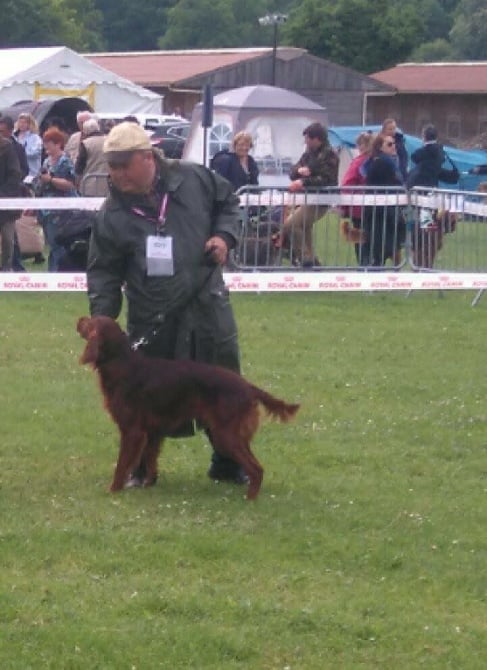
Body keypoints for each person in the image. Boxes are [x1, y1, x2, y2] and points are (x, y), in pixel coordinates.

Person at [86, 121, 248, 486]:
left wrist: (224, 236)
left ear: (148, 158)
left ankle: (228, 461)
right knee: (148, 398)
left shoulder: (193, 179)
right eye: (112, 165)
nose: (116, 173)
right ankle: (142, 469)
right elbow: (104, 273)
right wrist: (102, 320)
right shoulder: (111, 215)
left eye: (123, 164)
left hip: (206, 305)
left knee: (221, 386)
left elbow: (229, 203)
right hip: (154, 316)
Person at [282, 122, 338, 267]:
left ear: (317, 139)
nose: (305, 142)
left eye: (308, 138)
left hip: (321, 200)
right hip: (307, 199)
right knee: (304, 227)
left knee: (291, 224)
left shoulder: (330, 155)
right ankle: (312, 261)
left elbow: (328, 180)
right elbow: (292, 172)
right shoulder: (308, 154)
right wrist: (299, 171)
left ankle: (305, 258)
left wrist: (304, 182)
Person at [36, 128, 78, 271]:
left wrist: (51, 180)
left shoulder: (65, 161)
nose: (45, 146)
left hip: (63, 210)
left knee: (59, 243)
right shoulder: (46, 161)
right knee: (52, 244)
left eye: (49, 143)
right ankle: (53, 273)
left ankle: (60, 272)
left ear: (58, 144)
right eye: (45, 143)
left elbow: (70, 184)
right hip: (47, 210)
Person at [361, 133, 405, 266]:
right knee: (383, 248)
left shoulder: (379, 161)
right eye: (389, 144)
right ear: (380, 147)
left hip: (382, 212)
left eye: (394, 144)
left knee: (385, 248)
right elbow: (397, 182)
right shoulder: (383, 162)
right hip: (381, 213)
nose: (393, 147)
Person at [340, 131, 373, 262]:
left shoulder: (358, 162)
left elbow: (346, 185)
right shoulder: (376, 160)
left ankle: (363, 267)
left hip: (359, 209)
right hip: (373, 208)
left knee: (361, 241)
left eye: (359, 144)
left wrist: (344, 207)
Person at [0, 135, 23, 270]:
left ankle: (6, 269)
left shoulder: (7, 147)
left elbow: (15, 174)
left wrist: (3, 194)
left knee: (8, 240)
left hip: (7, 202)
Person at [75, 118, 109, 196]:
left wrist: (77, 182)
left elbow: (79, 166)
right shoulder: (109, 140)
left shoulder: (85, 144)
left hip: (89, 184)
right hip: (107, 184)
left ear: (85, 131)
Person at [407, 124, 445, 189]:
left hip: (420, 185)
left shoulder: (422, 151)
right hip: (434, 184)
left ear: (424, 136)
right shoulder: (440, 150)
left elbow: (414, 157)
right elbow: (442, 160)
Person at [13, 112, 42, 178]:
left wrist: (20, 152)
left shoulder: (35, 138)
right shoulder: (13, 136)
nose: (22, 124)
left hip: (31, 173)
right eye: (20, 122)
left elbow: (35, 153)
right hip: (16, 173)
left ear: (29, 124)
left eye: (24, 122)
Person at [381, 118, 408, 184]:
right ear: (384, 130)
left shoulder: (400, 141)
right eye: (390, 129)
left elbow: (404, 157)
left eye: (394, 128)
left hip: (400, 174)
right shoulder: (379, 141)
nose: (393, 131)